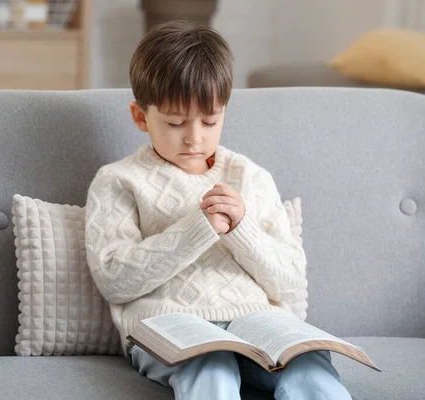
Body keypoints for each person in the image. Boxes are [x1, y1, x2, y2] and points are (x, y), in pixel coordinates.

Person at [84, 20, 351, 400]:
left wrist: (243, 230)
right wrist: (197, 228)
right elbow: (114, 278)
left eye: (210, 121)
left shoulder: (250, 177)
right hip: (172, 325)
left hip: (258, 324)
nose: (195, 137)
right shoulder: (119, 181)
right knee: (213, 367)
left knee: (309, 367)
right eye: (176, 123)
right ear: (141, 117)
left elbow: (289, 279)